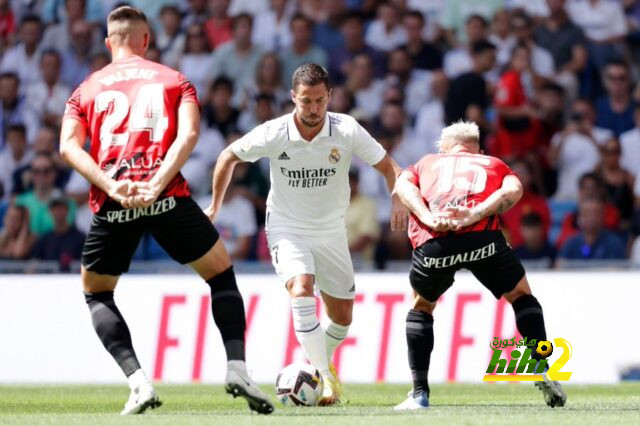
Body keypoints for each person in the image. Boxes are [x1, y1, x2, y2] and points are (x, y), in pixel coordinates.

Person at [58, 6, 273, 416]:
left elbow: (68, 146)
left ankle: (139, 383)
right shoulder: (175, 79)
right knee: (221, 275)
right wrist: (157, 183)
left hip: (114, 199)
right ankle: (237, 368)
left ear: (109, 43)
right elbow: (189, 133)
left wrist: (110, 184)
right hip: (168, 196)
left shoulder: (85, 89)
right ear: (146, 40)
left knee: (98, 293)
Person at [206, 63, 408, 405]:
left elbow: (389, 165)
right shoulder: (274, 132)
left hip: (331, 230)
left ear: (329, 96)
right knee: (301, 289)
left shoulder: (346, 129)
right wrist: (214, 207)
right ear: (292, 98)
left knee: (342, 316)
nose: (313, 109)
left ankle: (313, 366)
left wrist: (398, 198)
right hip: (287, 226)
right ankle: (326, 379)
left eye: (319, 100)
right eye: (305, 101)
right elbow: (228, 157)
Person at [392, 121, 566, 410]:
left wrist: (429, 215)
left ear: (444, 149)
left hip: (435, 243)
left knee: (421, 307)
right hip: (482, 239)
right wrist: (474, 214)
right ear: (478, 150)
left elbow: (401, 186)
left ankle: (419, 393)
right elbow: (514, 189)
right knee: (521, 296)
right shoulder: (492, 163)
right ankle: (541, 366)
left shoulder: (427, 162)